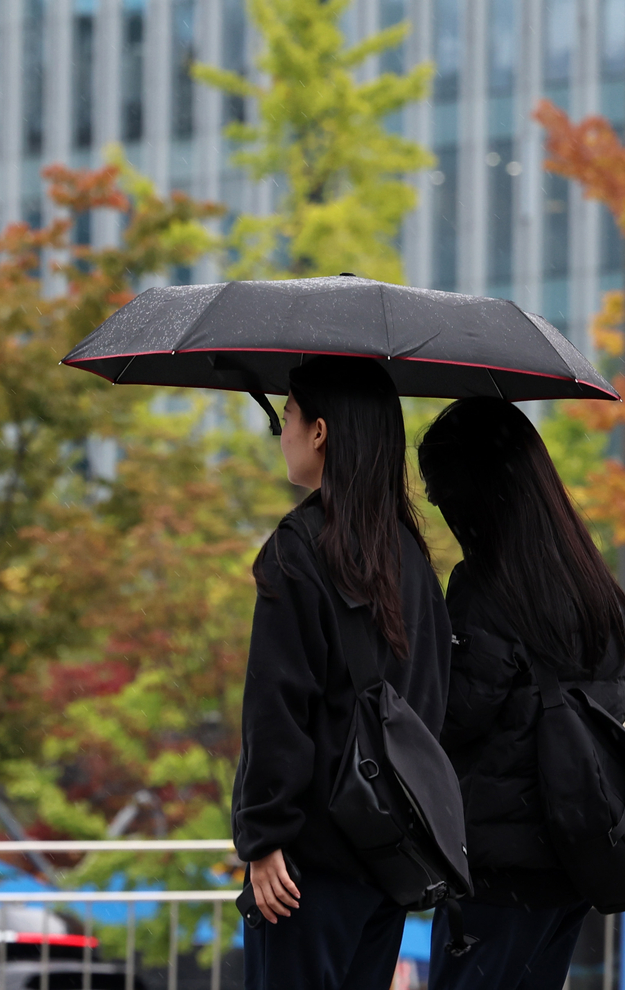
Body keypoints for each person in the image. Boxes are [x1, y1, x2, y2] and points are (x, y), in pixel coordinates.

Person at [232, 355, 454, 990]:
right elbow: (430, 700)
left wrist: (265, 834)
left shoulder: (298, 549)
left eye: (290, 416)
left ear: (321, 432)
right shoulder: (411, 556)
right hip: (386, 854)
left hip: (304, 867)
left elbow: (276, 705)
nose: (285, 433)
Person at [416, 396, 625, 990]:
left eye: (440, 491)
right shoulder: (596, 588)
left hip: (499, 868)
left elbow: (451, 716)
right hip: (574, 856)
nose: (440, 508)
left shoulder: (485, 591)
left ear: (475, 492)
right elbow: (613, 708)